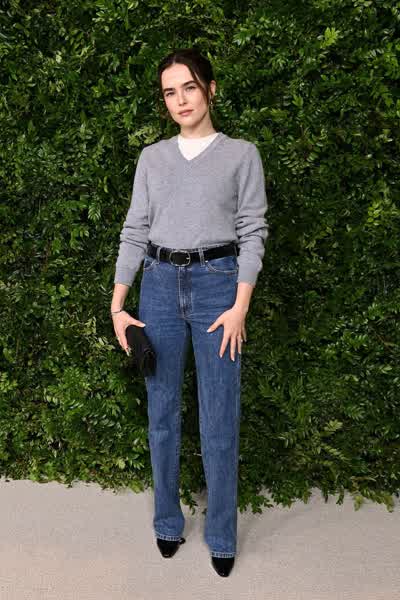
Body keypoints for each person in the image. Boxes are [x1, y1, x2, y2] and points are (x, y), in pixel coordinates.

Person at [111, 47, 268, 577]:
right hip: (158, 287)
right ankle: (167, 522)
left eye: (190, 87)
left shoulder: (242, 155)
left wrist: (240, 305)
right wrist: (118, 304)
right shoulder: (152, 159)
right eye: (169, 91)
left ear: (211, 89)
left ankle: (221, 534)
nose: (180, 100)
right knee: (161, 413)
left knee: (219, 417)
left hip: (218, 287)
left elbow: (253, 232)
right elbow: (135, 229)